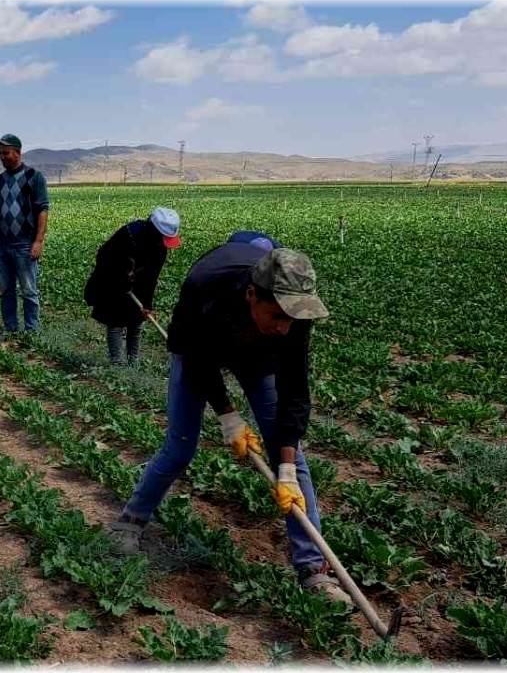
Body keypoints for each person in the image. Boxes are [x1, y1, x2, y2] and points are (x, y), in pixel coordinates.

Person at [106, 244, 353, 606]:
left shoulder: (295, 312)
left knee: (292, 461)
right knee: (180, 446)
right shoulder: (206, 288)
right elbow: (194, 354)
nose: (284, 327)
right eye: (277, 315)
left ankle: (314, 569)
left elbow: (294, 390)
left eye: (291, 319)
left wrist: (284, 466)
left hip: (260, 360)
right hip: (200, 350)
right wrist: (227, 415)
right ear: (252, 294)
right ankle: (130, 520)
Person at [83, 208, 182, 365]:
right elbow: (103, 255)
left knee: (136, 322)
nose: (163, 242)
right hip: (112, 280)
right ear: (153, 230)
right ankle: (117, 364)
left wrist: (147, 303)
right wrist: (120, 276)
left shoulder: (160, 248)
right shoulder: (129, 234)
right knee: (115, 320)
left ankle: (133, 363)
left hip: (138, 284)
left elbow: (152, 276)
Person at [0, 133, 49, 339]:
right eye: (0, 153)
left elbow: (42, 210)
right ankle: (10, 329)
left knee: (29, 290)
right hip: (2, 245)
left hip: (24, 245)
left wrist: (38, 241)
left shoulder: (34, 177)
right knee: (6, 291)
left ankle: (31, 332)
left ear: (17, 152)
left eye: (6, 153)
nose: (2, 157)